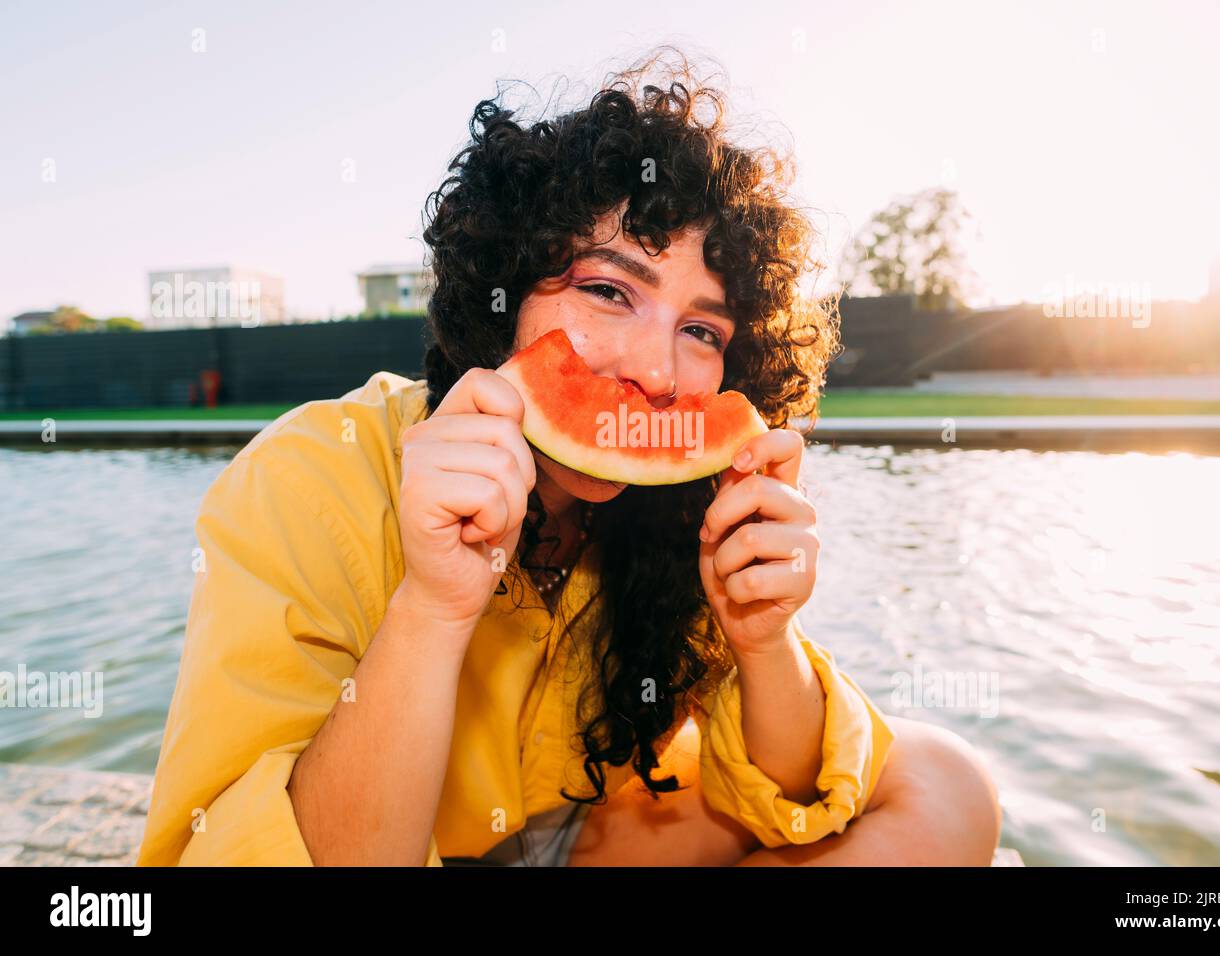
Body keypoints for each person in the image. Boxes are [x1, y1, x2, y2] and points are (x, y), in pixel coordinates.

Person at [136, 46, 1000, 868]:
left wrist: (764, 638)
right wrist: (434, 608)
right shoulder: (306, 477)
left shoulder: (679, 505)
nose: (658, 373)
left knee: (946, 783)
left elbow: (791, 790)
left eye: (701, 330)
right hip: (398, 835)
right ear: (501, 285)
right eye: (606, 290)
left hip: (582, 833)